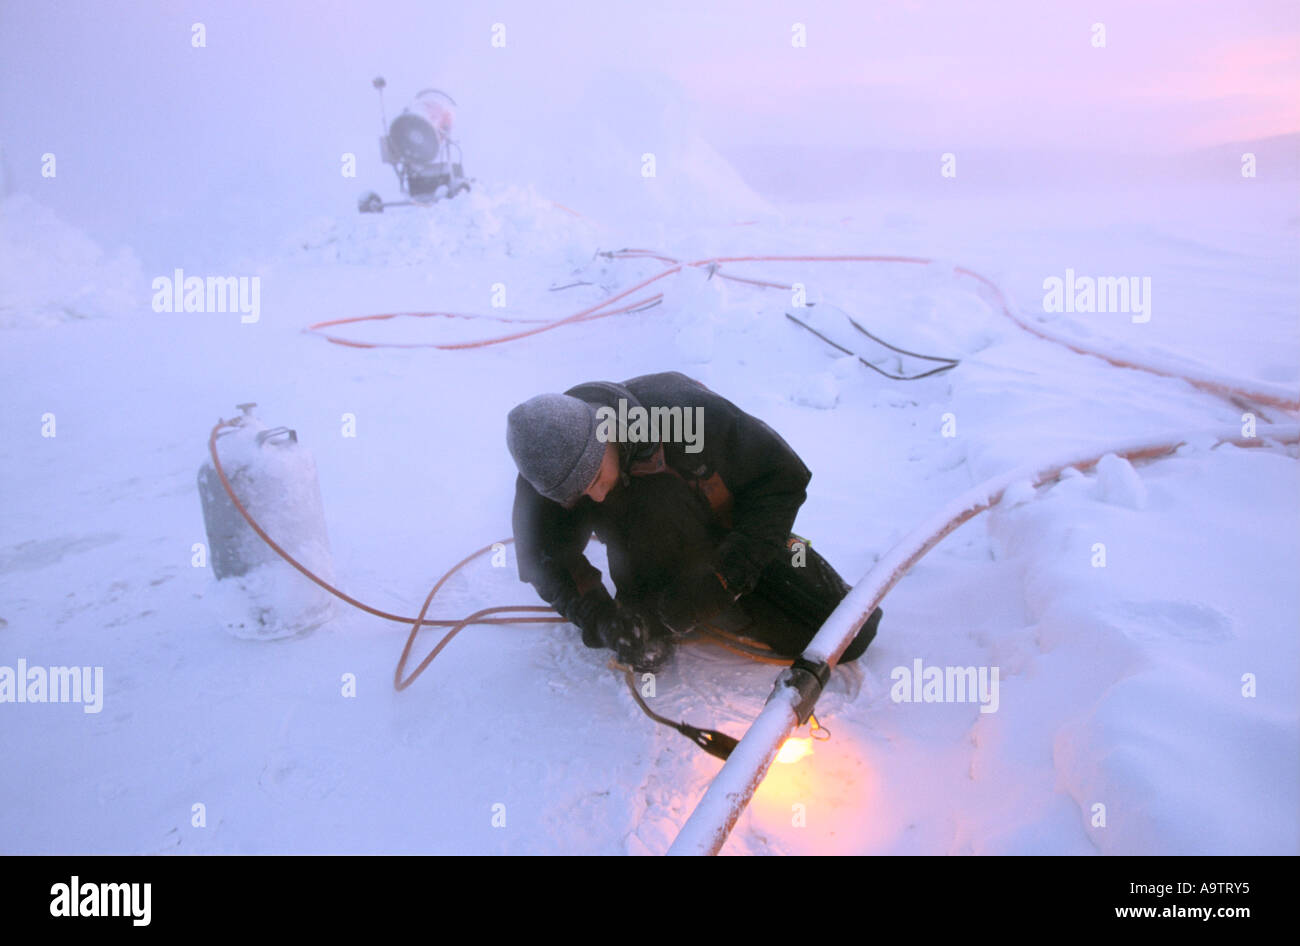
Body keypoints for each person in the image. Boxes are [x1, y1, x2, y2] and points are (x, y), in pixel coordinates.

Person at [505, 371, 882, 672]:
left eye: (595, 480)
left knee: (847, 635)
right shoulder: (546, 473)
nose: (597, 497)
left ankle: (722, 589)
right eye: (580, 496)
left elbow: (782, 480)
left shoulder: (690, 416)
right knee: (642, 636)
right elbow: (545, 559)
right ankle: (652, 610)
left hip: (735, 536)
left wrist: (725, 579)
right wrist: (603, 619)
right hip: (644, 560)